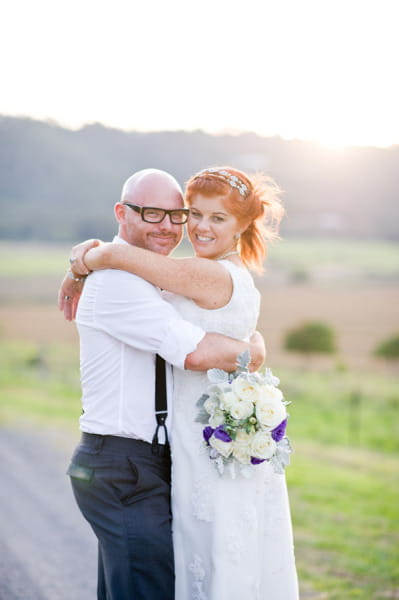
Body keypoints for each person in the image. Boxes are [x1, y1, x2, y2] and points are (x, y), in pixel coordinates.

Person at [67, 166, 299, 599]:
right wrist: (88, 261)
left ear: (241, 226)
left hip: (184, 457)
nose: (186, 226)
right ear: (122, 213)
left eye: (178, 215)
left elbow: (129, 260)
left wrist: (89, 258)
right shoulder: (131, 281)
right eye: (194, 214)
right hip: (127, 463)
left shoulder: (203, 274)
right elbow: (193, 352)